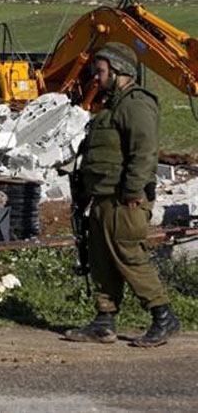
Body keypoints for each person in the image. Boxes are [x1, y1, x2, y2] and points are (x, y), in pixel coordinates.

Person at [64, 42, 180, 348]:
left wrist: (132, 190)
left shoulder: (136, 104)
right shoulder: (111, 106)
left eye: (101, 71)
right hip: (104, 198)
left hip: (124, 200)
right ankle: (104, 322)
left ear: (119, 70)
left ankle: (163, 316)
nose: (96, 77)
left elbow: (144, 151)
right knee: (101, 261)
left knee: (129, 256)